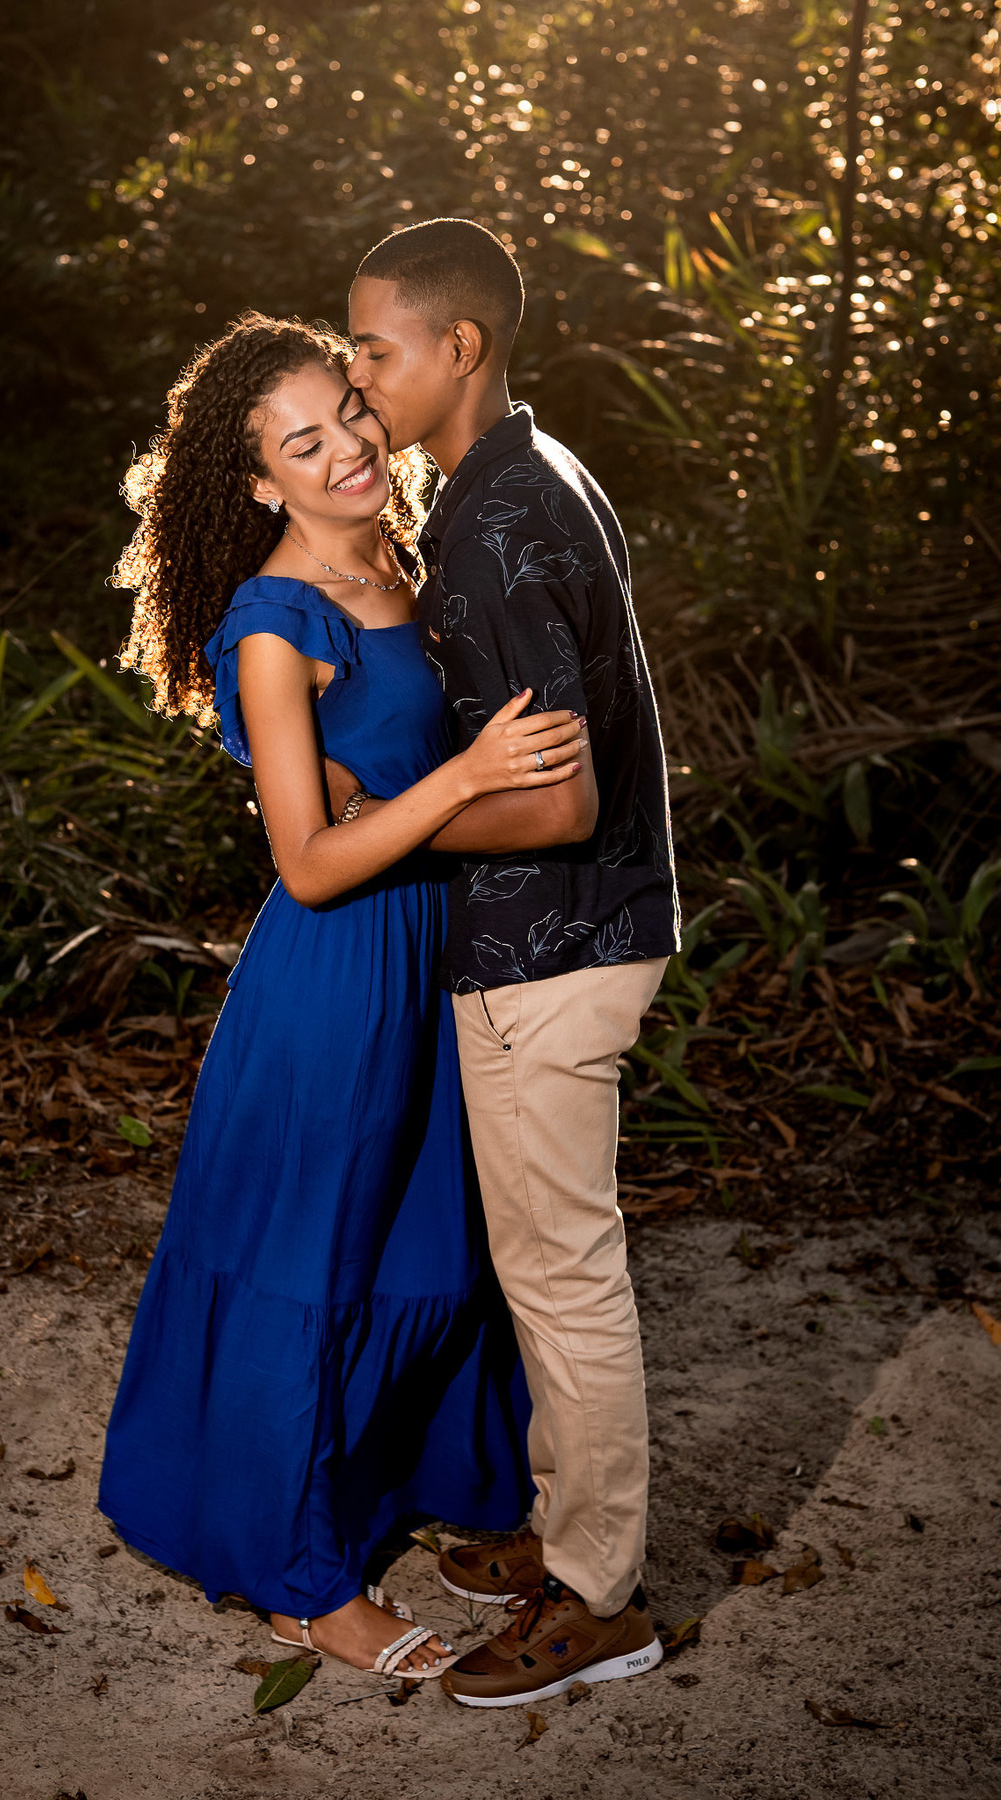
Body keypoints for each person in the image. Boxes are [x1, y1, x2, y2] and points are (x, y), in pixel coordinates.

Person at [96, 311, 587, 1680]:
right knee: (310, 1274)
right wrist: (466, 780)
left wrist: (427, 793)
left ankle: (436, 1490)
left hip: (436, 962)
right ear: (258, 482)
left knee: (431, 1255)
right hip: (334, 988)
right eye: (300, 444)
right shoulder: (271, 620)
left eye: (350, 417)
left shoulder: (410, 567)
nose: (347, 451)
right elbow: (311, 862)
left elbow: (391, 787)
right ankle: (304, 1581)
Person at [328, 219, 681, 1706]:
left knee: (565, 1275)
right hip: (565, 937)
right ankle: (564, 1538)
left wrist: (386, 834)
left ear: (457, 347)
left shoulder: (495, 520)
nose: (356, 381)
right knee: (546, 1271)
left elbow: (561, 796)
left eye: (373, 348)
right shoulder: (520, 478)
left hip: (559, 944)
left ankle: (600, 1601)